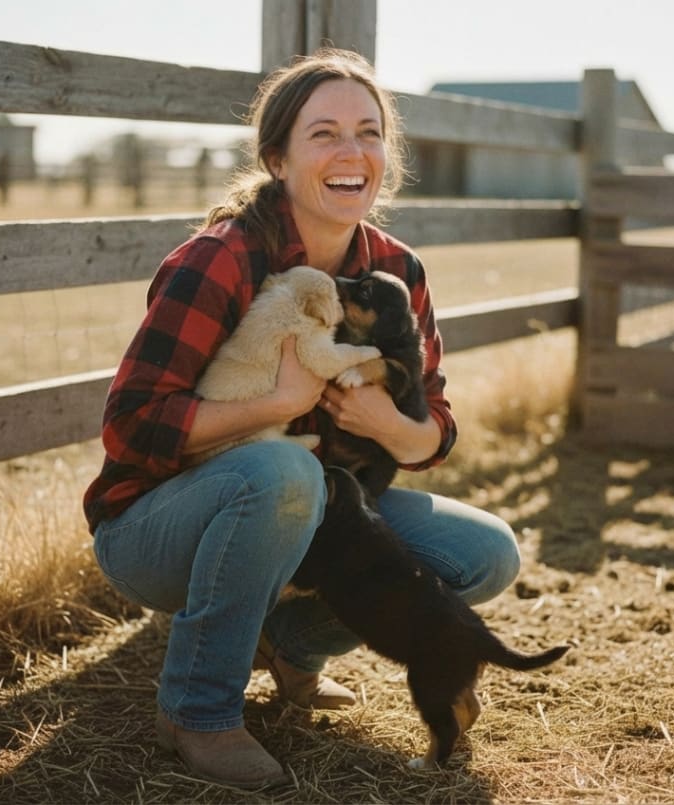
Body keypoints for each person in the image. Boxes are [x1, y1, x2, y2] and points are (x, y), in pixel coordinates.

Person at [83, 48, 521, 789]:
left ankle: (291, 647)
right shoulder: (221, 259)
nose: (352, 151)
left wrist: (385, 419)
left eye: (369, 132)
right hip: (156, 530)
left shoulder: (397, 271)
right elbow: (131, 425)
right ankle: (199, 707)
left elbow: (434, 428)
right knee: (285, 469)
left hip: (320, 511)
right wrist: (278, 405)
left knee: (486, 553)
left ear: (388, 154)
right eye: (324, 134)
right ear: (278, 158)